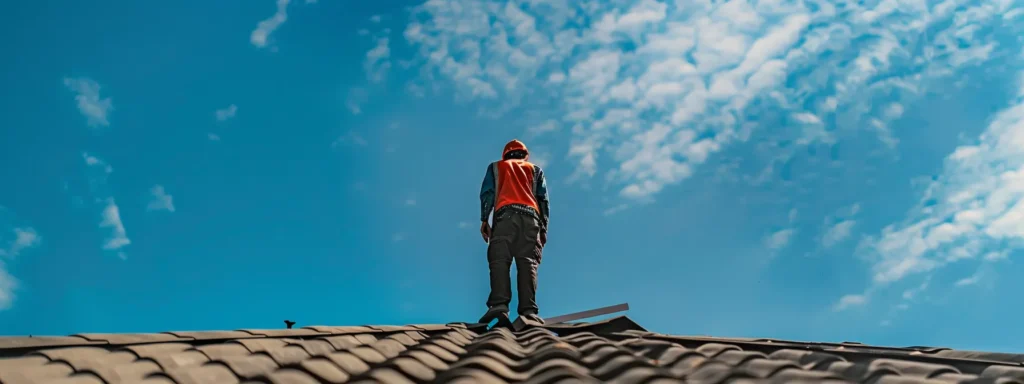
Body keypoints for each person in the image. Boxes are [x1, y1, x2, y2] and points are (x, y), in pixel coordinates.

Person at [478, 139, 550, 324]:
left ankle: (499, 307)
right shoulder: (535, 170)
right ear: (524, 154)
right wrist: (543, 228)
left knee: (500, 259)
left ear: (506, 154)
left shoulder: (496, 167)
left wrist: (485, 219)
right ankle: (528, 312)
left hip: (506, 217)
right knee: (528, 263)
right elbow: (543, 200)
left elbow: (487, 194)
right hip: (531, 219)